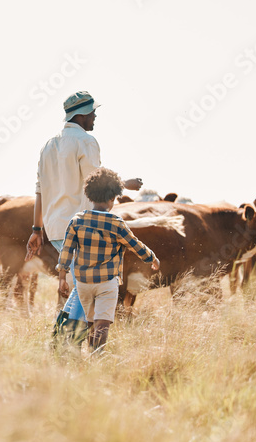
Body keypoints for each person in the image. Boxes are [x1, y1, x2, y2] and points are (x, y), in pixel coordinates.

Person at [25, 91, 143, 346]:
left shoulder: (48, 145)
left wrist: (36, 230)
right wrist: (126, 183)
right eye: (92, 112)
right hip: (82, 226)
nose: (95, 116)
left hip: (55, 228)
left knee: (79, 285)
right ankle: (61, 342)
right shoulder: (86, 141)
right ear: (82, 114)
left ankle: (66, 343)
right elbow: (96, 182)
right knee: (83, 286)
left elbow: (39, 190)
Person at [57, 167, 160, 353]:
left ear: (89, 196)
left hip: (83, 282)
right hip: (107, 282)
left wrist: (62, 277)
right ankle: (97, 354)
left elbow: (66, 250)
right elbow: (134, 244)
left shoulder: (77, 220)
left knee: (89, 320)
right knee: (102, 321)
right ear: (113, 198)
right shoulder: (116, 223)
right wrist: (152, 258)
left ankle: (85, 351)